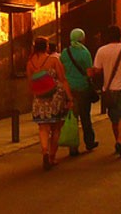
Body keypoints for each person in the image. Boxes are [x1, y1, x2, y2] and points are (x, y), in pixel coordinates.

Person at [91, 25, 121, 158]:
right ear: (120, 36)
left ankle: (118, 141)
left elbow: (98, 70)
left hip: (109, 89)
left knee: (114, 118)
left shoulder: (101, 51)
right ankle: (120, 141)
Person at [28, 37, 72, 170]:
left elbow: (30, 82)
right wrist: (69, 97)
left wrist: (35, 95)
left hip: (39, 97)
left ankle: (45, 151)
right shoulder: (53, 60)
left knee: (43, 127)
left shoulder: (30, 62)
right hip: (55, 96)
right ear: (46, 46)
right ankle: (52, 156)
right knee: (56, 127)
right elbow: (62, 79)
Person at [60, 27, 100, 156]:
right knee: (85, 117)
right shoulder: (85, 52)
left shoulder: (65, 52)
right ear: (81, 38)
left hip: (69, 88)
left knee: (72, 117)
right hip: (82, 88)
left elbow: (62, 69)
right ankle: (89, 141)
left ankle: (73, 146)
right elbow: (89, 72)